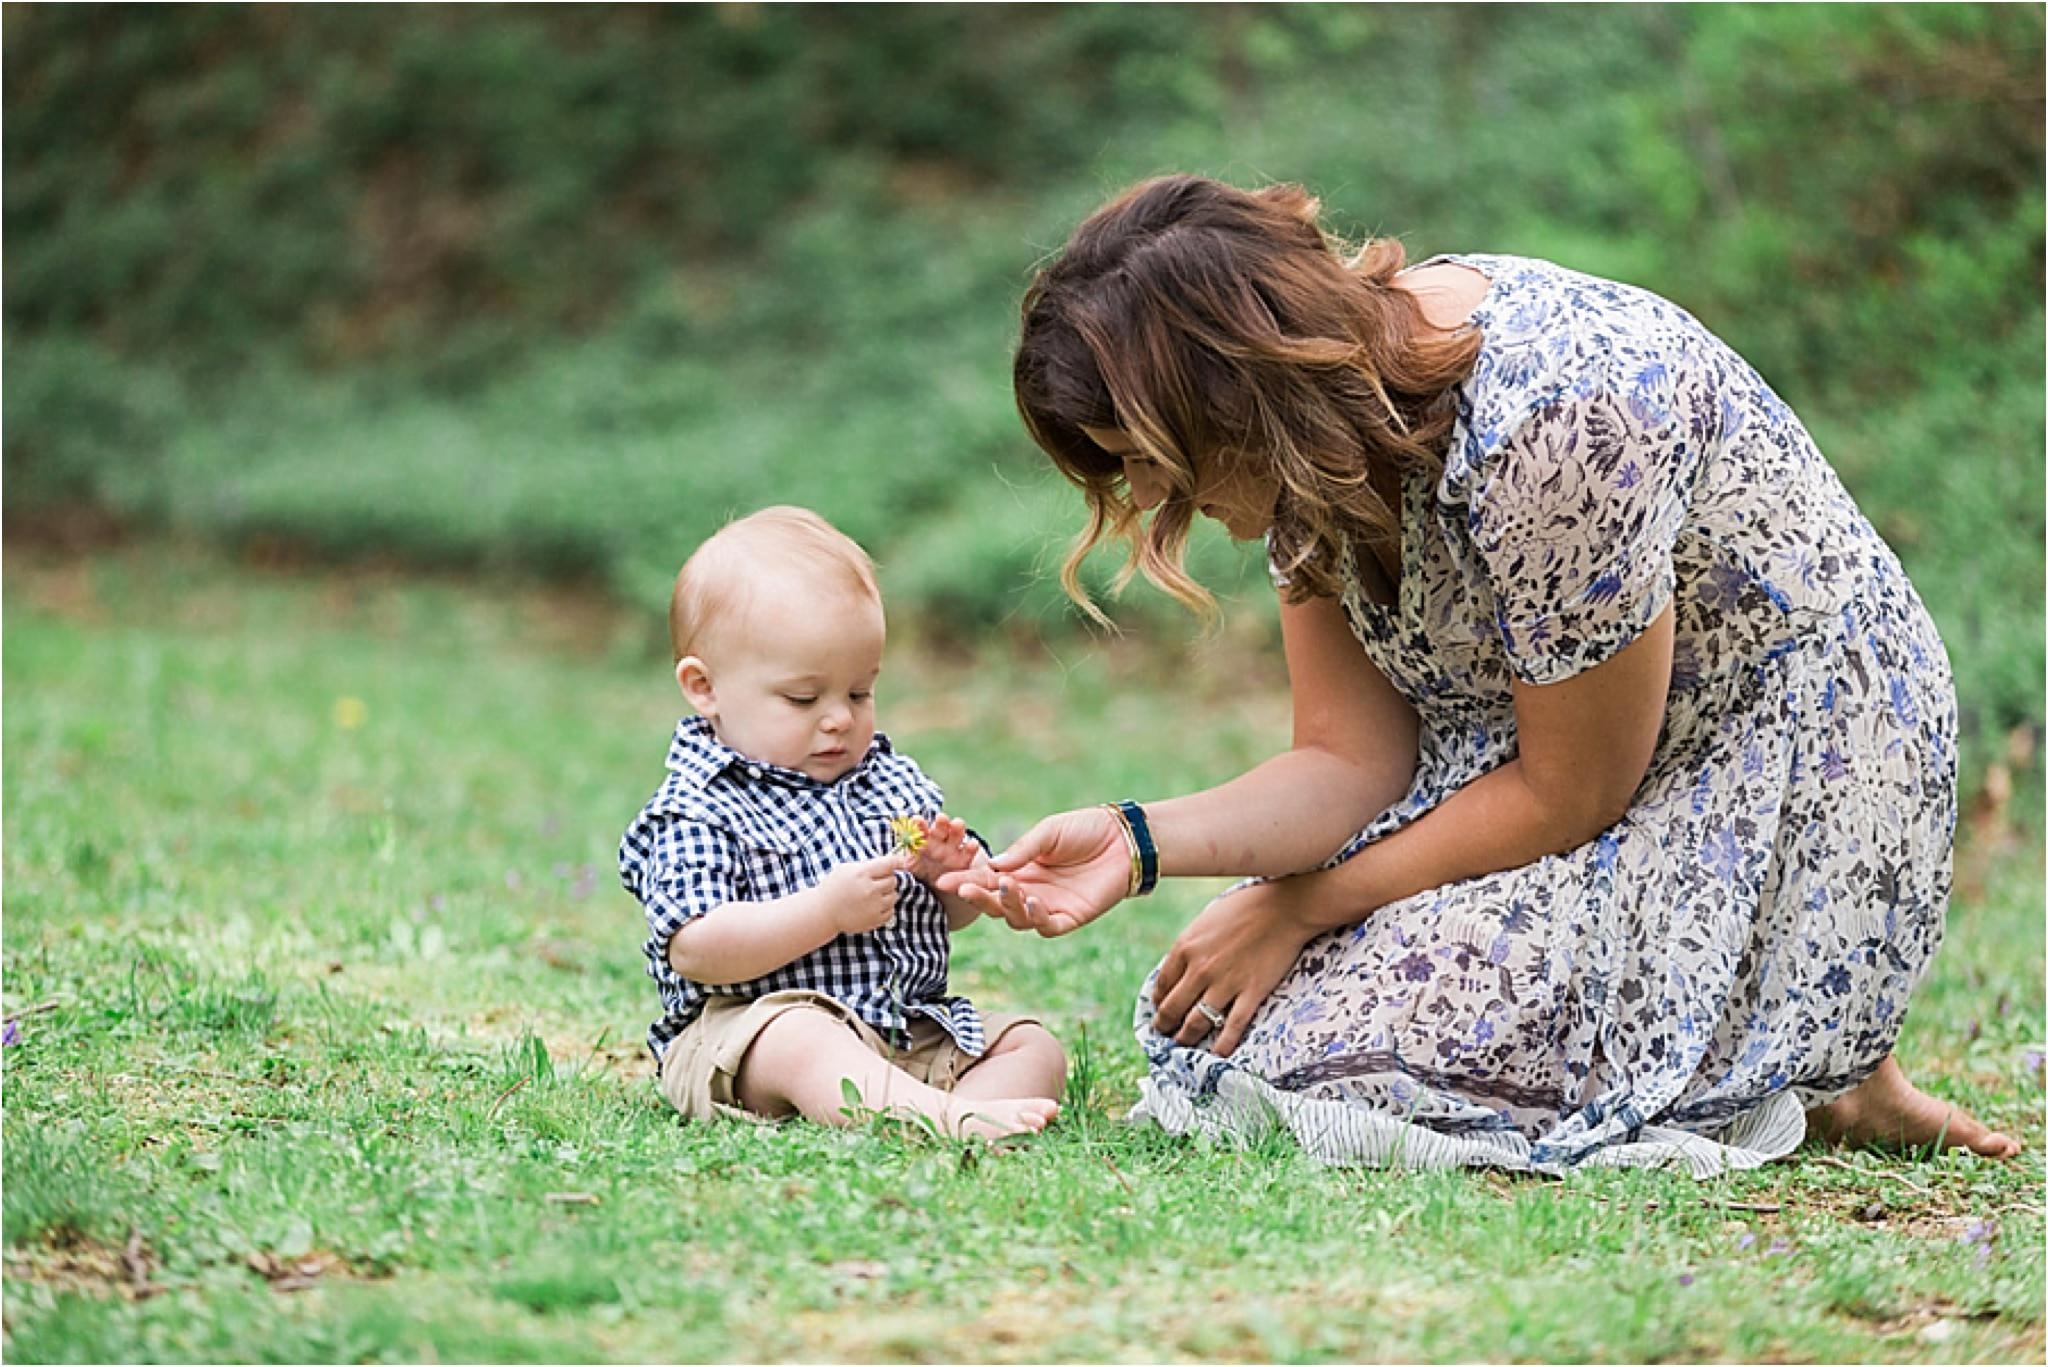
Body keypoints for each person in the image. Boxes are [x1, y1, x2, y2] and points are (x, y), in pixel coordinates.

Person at [941, 175, 2018, 1173]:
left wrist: (1301, 905)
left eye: (1140, 453)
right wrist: (1133, 840)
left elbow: (1571, 790)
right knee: (1236, 1027)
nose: (1140, 493)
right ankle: (1784, 1057)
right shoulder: (1309, 441)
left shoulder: (1556, 415)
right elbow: (1346, 762)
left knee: (1328, 1061)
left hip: (1775, 749)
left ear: (1228, 392)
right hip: (1566, 766)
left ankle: (1795, 1042)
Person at [620, 506, 1065, 1140]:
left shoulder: (890, 784)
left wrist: (952, 880)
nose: (838, 719)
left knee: (1032, 1045)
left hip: (901, 1028)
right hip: (748, 1033)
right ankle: (940, 1116)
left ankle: (944, 1109)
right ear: (704, 687)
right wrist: (824, 911)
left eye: (859, 693)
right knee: (801, 1037)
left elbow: (952, 914)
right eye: (804, 698)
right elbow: (695, 947)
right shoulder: (700, 802)